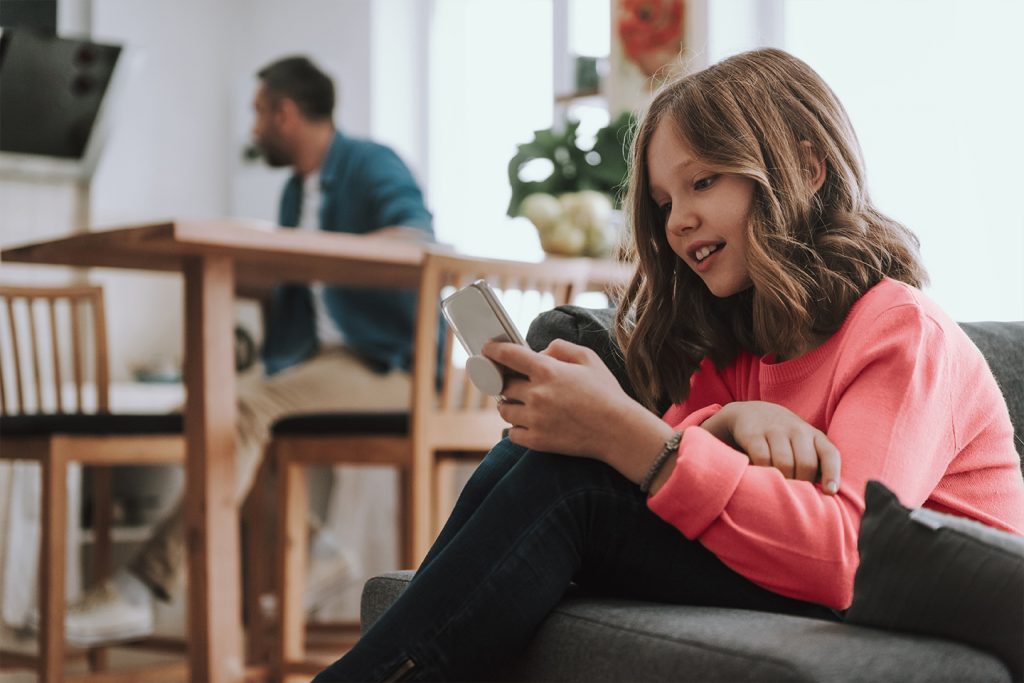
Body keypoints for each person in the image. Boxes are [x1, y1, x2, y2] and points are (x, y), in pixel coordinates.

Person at [311, 48, 1024, 682]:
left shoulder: (902, 329)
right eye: (662, 201)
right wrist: (733, 417)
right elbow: (687, 466)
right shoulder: (742, 336)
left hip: (910, 603)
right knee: (527, 461)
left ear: (806, 169)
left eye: (703, 181)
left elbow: (849, 555)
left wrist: (627, 433)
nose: (677, 218)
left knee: (577, 482)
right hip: (807, 577)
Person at [31, 55, 435, 646]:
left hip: (393, 365)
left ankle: (144, 586)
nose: (253, 128)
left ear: (285, 112)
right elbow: (293, 284)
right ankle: (317, 545)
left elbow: (418, 239)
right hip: (322, 364)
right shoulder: (297, 194)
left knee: (235, 409)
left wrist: (306, 255)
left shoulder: (369, 164)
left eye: (258, 113)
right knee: (202, 413)